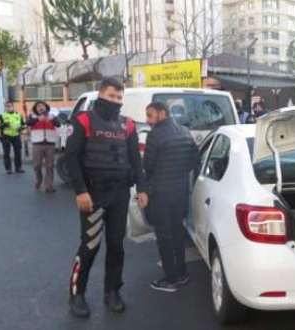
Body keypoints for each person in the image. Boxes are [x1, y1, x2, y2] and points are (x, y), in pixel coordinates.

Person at [65, 77, 148, 318]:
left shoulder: (128, 125)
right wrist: (80, 190)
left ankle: (112, 291)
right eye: (112, 96)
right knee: (90, 246)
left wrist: (142, 189)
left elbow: (136, 161)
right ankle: (77, 295)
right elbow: (71, 158)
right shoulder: (82, 120)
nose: (116, 101)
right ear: (101, 94)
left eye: (119, 97)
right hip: (92, 195)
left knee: (116, 246)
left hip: (120, 194)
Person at [143, 102, 199, 292]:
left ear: (163, 113)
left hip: (160, 194)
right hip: (180, 192)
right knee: (177, 233)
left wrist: (142, 192)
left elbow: (148, 167)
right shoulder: (184, 131)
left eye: (150, 116)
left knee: (163, 236)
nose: (147, 120)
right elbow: (194, 159)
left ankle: (170, 279)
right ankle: (182, 273)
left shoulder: (155, 135)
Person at [26, 101, 61, 193]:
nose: (41, 108)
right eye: (38, 106)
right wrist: (38, 119)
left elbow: (58, 124)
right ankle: (38, 180)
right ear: (36, 108)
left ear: (46, 107)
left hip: (50, 143)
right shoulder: (32, 116)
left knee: (49, 166)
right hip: (37, 143)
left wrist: (52, 119)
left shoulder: (52, 116)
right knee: (37, 165)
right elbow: (28, 123)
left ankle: (48, 185)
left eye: (42, 106)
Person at [0, 102, 26, 174]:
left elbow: (24, 125)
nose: (8, 108)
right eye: (6, 107)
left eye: (9, 106)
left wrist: (21, 128)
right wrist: (4, 124)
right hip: (6, 136)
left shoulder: (19, 115)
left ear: (13, 107)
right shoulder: (2, 116)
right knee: (6, 153)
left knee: (18, 152)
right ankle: (8, 168)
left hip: (16, 135)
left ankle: (18, 168)